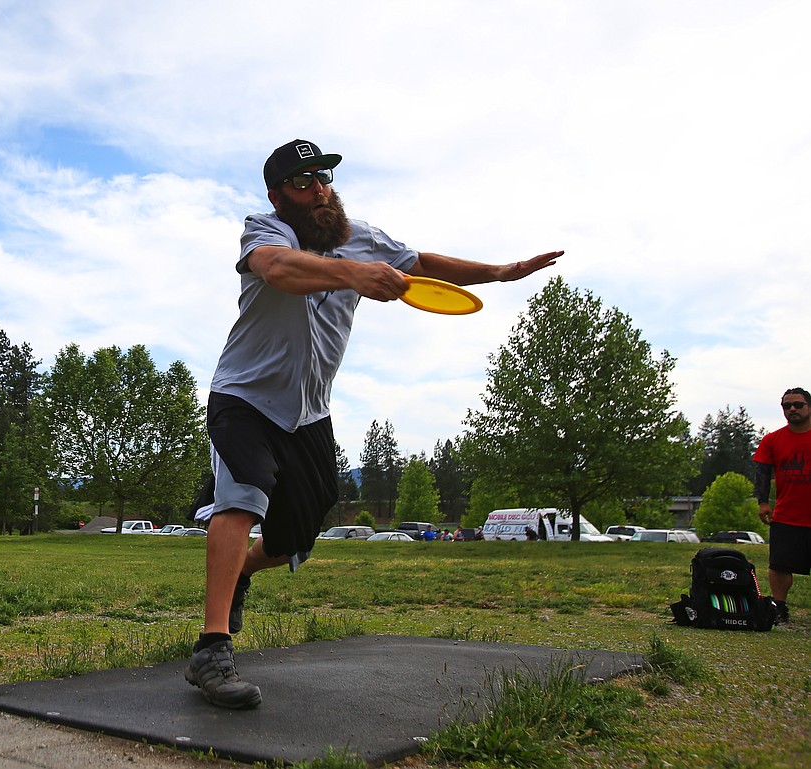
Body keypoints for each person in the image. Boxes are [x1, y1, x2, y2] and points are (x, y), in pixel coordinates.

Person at [184, 139, 562, 709]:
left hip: (309, 412)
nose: (319, 189)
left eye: (324, 178)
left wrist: (501, 272)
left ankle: (242, 574)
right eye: (304, 181)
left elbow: (424, 264)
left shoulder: (362, 235)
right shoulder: (265, 230)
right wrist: (352, 275)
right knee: (242, 499)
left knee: (294, 541)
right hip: (245, 397)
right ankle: (212, 650)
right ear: (278, 195)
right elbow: (278, 270)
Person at [753, 386, 811, 625]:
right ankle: (780, 608)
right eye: (787, 406)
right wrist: (763, 503)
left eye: (798, 405)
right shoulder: (772, 440)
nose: (792, 409)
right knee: (779, 565)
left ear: (809, 407)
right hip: (787, 515)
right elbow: (762, 472)